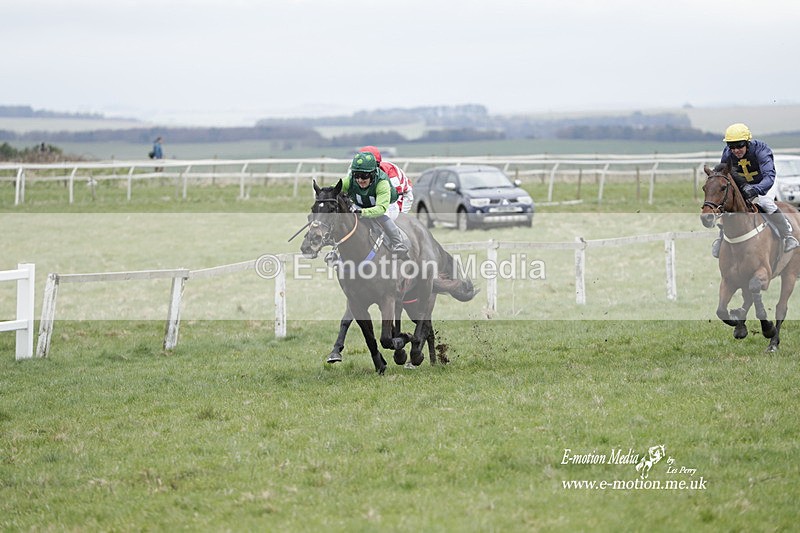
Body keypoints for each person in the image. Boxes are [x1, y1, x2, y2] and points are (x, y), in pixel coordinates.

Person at [711, 123, 799, 258]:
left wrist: (755, 189)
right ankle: (721, 238)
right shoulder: (728, 153)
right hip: (743, 183)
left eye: (739, 145)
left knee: (765, 202)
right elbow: (725, 173)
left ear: (747, 142)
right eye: (731, 146)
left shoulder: (761, 150)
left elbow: (769, 176)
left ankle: (787, 236)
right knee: (729, 204)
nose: (735, 150)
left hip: (764, 181)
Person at [341, 150, 409, 257]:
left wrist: (362, 212)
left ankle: (398, 243)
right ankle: (335, 251)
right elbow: (334, 189)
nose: (360, 180)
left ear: (373, 174)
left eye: (364, 176)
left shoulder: (382, 183)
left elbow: (381, 208)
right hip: (363, 205)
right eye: (356, 175)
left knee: (382, 216)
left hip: (386, 206)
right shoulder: (349, 180)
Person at [358, 145, 414, 215]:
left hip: (399, 197)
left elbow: (392, 199)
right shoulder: (355, 171)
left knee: (386, 214)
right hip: (378, 196)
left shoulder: (391, 175)